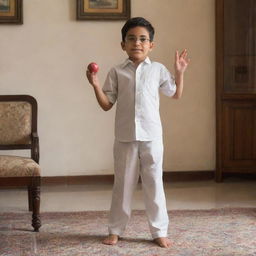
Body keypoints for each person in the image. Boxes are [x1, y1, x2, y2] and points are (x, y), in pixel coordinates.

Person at [86, 17, 189, 248]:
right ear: (123, 44)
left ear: (151, 44)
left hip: (152, 138)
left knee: (154, 185)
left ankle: (159, 231)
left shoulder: (158, 70)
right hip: (125, 138)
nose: (137, 43)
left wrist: (179, 72)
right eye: (131, 39)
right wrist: (94, 83)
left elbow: (175, 93)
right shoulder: (116, 72)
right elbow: (106, 104)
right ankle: (115, 230)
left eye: (143, 39)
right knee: (122, 186)